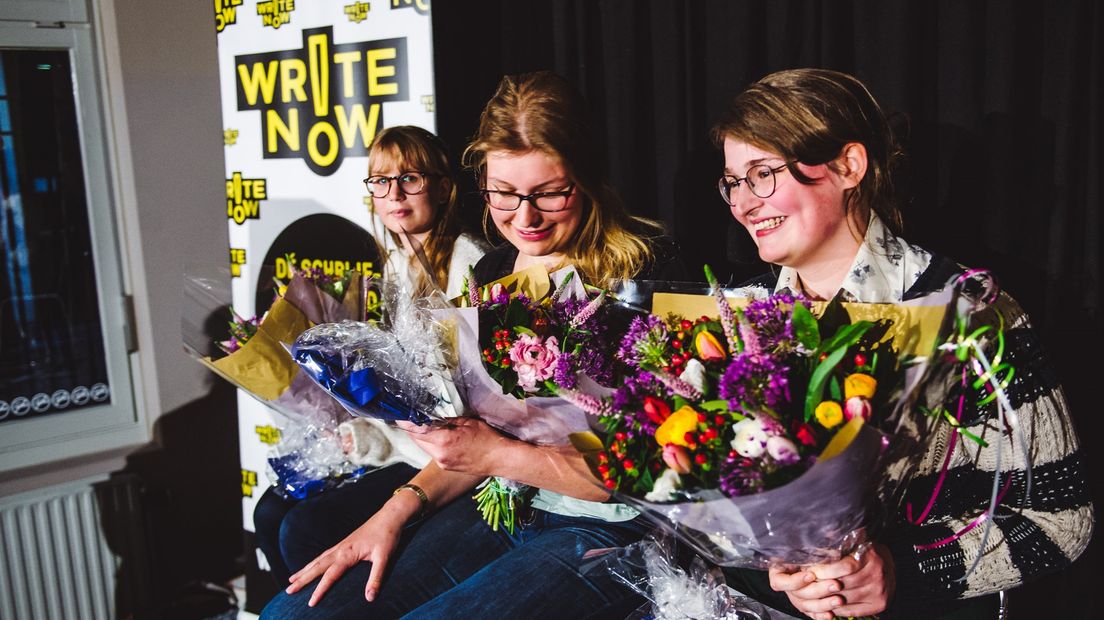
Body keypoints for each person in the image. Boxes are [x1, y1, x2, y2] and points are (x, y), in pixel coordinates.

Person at [259, 70, 685, 619]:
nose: (524, 218)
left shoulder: (647, 272)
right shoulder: (493, 269)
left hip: (611, 530)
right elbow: (475, 442)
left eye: (549, 193)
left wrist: (495, 453)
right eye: (503, 194)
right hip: (505, 503)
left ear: (588, 177)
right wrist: (391, 515)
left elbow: (647, 469)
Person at [712, 68, 1093, 619]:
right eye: (732, 182)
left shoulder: (974, 313)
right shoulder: (733, 318)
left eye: (764, 174)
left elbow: (1061, 518)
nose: (744, 203)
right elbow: (708, 498)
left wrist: (903, 569)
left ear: (849, 166)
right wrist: (768, 566)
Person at [253, 125, 489, 588]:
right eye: (381, 181)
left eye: (410, 178)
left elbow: (474, 394)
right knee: (270, 510)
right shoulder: (396, 263)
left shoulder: (471, 263)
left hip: (446, 460)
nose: (394, 193)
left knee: (304, 529)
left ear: (443, 188)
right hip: (404, 444)